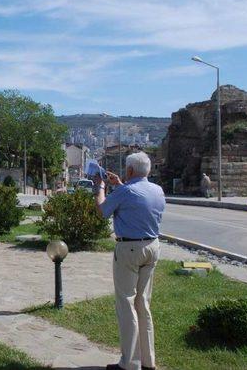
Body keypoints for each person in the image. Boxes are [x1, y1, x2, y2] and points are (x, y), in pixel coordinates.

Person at [93, 152, 165, 370]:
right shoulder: (157, 190)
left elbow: (102, 211)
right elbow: (136, 199)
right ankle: (148, 361)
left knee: (126, 303)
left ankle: (129, 363)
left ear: (131, 170)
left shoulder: (125, 191)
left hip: (129, 248)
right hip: (152, 246)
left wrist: (100, 188)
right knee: (143, 303)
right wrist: (121, 184)